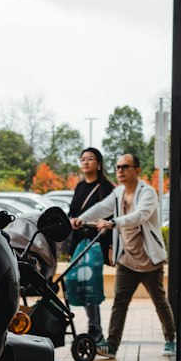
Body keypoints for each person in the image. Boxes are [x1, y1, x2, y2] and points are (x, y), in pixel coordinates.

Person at [72, 152, 176, 358]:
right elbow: (102, 207)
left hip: (148, 261)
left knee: (160, 302)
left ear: (137, 170)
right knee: (120, 302)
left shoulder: (148, 193)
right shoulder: (119, 193)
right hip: (127, 260)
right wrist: (81, 219)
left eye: (125, 167)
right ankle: (111, 345)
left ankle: (171, 339)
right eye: (118, 167)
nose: (120, 171)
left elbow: (140, 216)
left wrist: (113, 223)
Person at [67, 147, 113, 345]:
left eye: (90, 159)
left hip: (96, 243)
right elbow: (72, 212)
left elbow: (112, 217)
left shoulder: (106, 188)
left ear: (99, 163)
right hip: (79, 242)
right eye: (83, 159)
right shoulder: (79, 187)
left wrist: (109, 244)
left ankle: (95, 327)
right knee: (79, 282)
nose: (85, 162)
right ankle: (94, 327)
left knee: (91, 282)